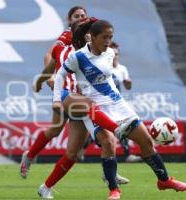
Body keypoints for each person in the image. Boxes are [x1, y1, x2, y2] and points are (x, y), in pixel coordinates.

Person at [50, 19, 186, 199]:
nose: (108, 41)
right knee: (108, 143)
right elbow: (60, 75)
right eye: (104, 37)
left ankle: (164, 180)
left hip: (118, 103)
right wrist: (57, 100)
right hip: (95, 108)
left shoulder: (109, 53)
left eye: (111, 37)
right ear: (92, 37)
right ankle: (114, 190)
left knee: (146, 140)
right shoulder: (78, 57)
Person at [20, 8, 130, 185]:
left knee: (99, 133)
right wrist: (46, 79)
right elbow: (51, 59)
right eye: (76, 16)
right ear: (69, 21)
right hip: (67, 93)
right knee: (56, 130)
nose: (81, 18)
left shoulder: (92, 38)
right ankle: (30, 155)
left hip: (84, 94)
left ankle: (109, 172)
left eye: (83, 16)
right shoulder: (66, 40)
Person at [110, 41, 141, 163]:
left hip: (117, 103)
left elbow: (127, 86)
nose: (115, 56)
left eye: (117, 54)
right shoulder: (104, 67)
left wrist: (128, 84)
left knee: (121, 127)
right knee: (105, 129)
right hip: (104, 103)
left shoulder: (122, 69)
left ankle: (128, 154)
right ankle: (82, 148)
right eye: (113, 54)